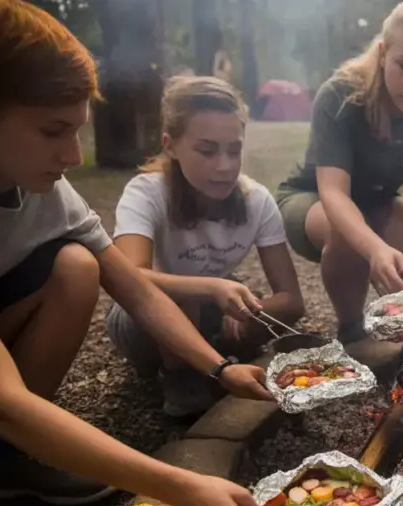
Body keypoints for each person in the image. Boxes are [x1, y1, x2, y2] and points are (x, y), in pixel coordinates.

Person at [0, 0, 280, 506]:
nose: (74, 155)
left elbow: (136, 289)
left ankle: (9, 459)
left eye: (76, 131)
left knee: (78, 265)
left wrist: (219, 370)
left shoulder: (45, 189)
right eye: (52, 131)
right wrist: (180, 486)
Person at [107, 77, 304, 417]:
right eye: (207, 150)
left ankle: (212, 359)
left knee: (246, 309)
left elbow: (291, 301)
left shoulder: (256, 200)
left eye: (234, 150)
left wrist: (251, 312)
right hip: (141, 323)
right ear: (171, 145)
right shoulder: (146, 193)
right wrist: (211, 287)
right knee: (182, 289)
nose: (225, 166)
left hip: (212, 316)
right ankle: (181, 382)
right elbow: (128, 277)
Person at [275, 0, 403, 344]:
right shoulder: (341, 96)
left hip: (376, 204)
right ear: (383, 52)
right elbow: (332, 193)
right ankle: (351, 329)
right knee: (347, 232)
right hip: (312, 201)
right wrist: (375, 249)